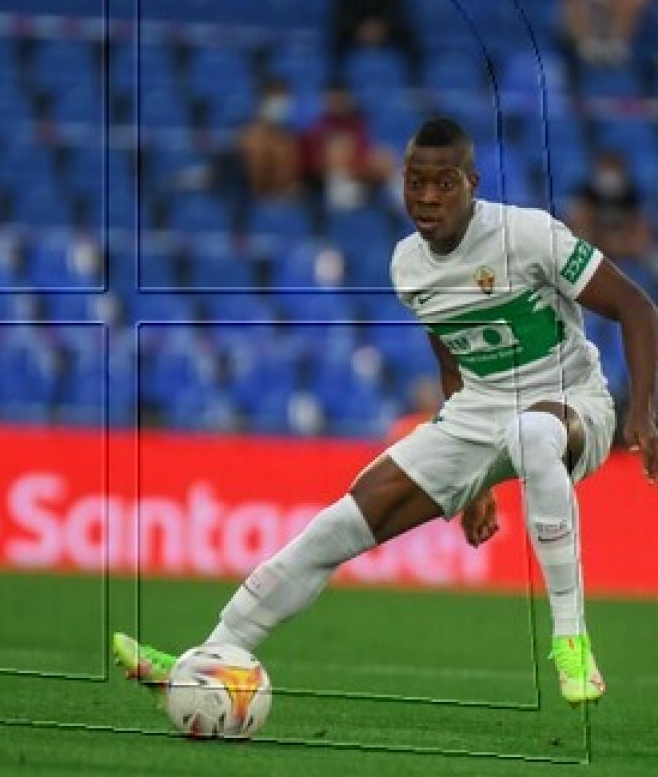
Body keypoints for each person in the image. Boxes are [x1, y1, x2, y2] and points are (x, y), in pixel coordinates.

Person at [115, 117, 658, 707]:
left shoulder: (527, 235)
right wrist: (475, 481)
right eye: (416, 182)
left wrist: (642, 414)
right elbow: (452, 358)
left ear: (472, 183)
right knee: (337, 526)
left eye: (444, 183)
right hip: (479, 411)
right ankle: (204, 661)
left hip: (575, 402)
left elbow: (637, 307)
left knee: (531, 433)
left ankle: (570, 642)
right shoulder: (408, 265)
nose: (427, 197)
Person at [297, 79, 395, 211]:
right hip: (326, 180)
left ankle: (394, 202)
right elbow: (312, 161)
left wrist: (356, 166)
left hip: (357, 175)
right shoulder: (317, 127)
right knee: (337, 147)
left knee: (385, 155)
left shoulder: (357, 125)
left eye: (340, 99)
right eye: (333, 99)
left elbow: (365, 153)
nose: (337, 104)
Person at [566, 147, 652, 267]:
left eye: (614, 169)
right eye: (606, 169)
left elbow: (641, 232)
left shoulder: (631, 193)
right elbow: (579, 228)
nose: (610, 176)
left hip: (622, 243)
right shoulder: (586, 192)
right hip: (595, 245)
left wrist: (619, 243)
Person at [234, 78, 299, 198]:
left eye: (284, 100)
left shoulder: (289, 138)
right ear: (262, 103)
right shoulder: (249, 136)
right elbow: (256, 182)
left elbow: (290, 180)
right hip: (253, 203)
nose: (281, 106)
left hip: (284, 202)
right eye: (276, 100)